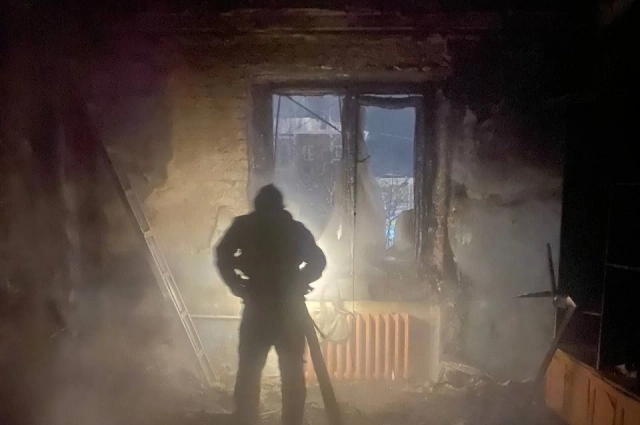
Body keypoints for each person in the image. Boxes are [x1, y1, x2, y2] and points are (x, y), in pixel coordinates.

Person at [215, 184, 327, 425]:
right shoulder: (293, 229)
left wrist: (236, 284)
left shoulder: (245, 226)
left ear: (257, 205)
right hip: (288, 309)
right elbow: (318, 261)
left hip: (258, 306)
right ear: (280, 206)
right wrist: (299, 281)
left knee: (250, 370)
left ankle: (246, 420)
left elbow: (222, 255)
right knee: (291, 373)